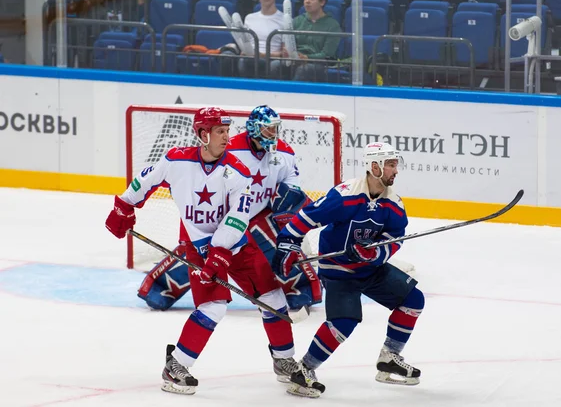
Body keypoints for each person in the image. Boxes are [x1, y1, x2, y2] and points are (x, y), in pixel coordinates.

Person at [105, 107, 298, 395]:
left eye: (227, 131)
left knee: (273, 297)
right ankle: (176, 366)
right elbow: (144, 181)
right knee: (214, 306)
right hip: (196, 247)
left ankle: (284, 360)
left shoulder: (238, 171)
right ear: (202, 134)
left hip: (236, 244)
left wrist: (220, 253)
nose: (227, 137)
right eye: (220, 132)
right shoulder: (176, 160)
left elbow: (238, 217)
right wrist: (123, 206)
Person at [136, 105, 322, 317]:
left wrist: (290, 206)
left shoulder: (285, 153)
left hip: (260, 215)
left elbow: (292, 189)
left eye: (275, 129)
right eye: (267, 129)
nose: (273, 134)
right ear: (253, 128)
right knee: (201, 254)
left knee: (283, 246)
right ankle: (158, 287)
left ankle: (303, 289)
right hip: (222, 218)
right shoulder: (228, 148)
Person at [272, 142, 425, 398]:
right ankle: (304, 370)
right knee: (344, 322)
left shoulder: (393, 203)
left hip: (370, 269)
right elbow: (307, 217)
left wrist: (374, 253)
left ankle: (389, 357)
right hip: (338, 270)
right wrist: (288, 243)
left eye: (395, 165)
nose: (395, 171)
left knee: (413, 300)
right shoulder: (345, 196)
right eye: (390, 165)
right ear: (374, 166)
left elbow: (395, 237)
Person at [271, 0, 341, 82]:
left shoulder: (333, 25)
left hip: (317, 63)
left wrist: (307, 57)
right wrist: (287, 51)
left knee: (304, 69)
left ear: (322, 2)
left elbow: (327, 54)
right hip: (296, 58)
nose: (307, 1)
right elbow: (289, 42)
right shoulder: (297, 20)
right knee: (275, 65)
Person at [238, 0, 285, 78]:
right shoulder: (249, 18)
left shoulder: (284, 20)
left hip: (272, 59)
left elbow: (285, 54)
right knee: (243, 61)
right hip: (250, 58)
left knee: (275, 65)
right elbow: (244, 46)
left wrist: (262, 55)